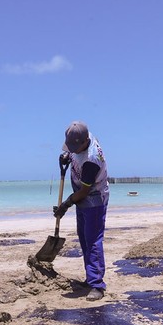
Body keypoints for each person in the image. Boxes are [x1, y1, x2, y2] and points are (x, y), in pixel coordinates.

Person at [54, 121, 109, 301]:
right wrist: (67, 156)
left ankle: (97, 285)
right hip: (82, 196)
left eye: (76, 148)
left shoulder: (92, 160)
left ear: (85, 141)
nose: (73, 150)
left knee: (93, 240)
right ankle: (90, 278)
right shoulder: (85, 136)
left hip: (94, 199)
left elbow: (84, 191)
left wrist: (66, 204)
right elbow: (73, 152)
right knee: (84, 238)